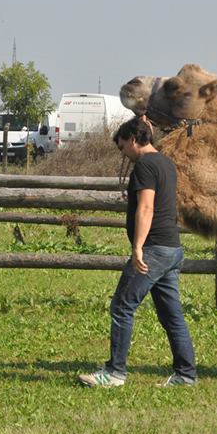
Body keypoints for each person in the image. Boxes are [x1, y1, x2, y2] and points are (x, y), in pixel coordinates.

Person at [78, 116, 197, 388]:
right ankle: (186, 374)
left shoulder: (144, 165)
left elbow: (146, 207)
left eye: (122, 148)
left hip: (154, 248)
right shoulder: (166, 163)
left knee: (122, 306)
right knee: (171, 315)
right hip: (172, 247)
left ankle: (115, 372)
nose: (124, 154)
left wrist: (138, 247)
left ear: (133, 139)